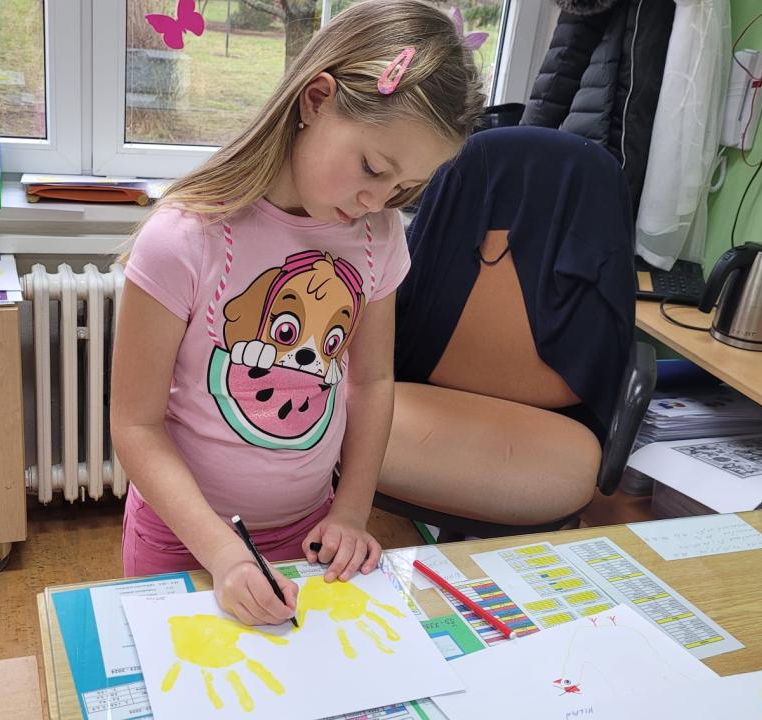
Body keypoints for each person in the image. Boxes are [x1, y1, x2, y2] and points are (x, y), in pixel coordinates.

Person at [110, 0, 485, 627]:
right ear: (315, 100)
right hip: (183, 538)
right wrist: (223, 555)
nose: (377, 200)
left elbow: (372, 381)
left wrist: (351, 513)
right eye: (373, 168)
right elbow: (135, 425)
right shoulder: (185, 237)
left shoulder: (379, 235)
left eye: (404, 188)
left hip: (308, 533)